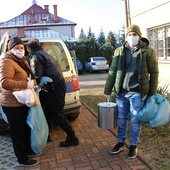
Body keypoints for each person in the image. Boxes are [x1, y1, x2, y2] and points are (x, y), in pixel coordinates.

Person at [104, 24, 159, 159]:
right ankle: (121, 142)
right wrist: (108, 89)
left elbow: (154, 73)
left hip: (137, 93)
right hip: (121, 92)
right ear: (126, 36)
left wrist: (151, 93)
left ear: (139, 36)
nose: (132, 37)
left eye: (134, 34)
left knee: (135, 120)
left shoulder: (148, 52)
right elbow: (112, 72)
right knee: (121, 119)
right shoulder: (119, 51)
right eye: (129, 34)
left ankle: (133, 145)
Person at [26, 39, 79, 147]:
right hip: (57, 85)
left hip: (54, 87)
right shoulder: (46, 54)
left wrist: (30, 84)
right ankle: (47, 136)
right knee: (48, 111)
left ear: (30, 49)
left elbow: (37, 75)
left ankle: (73, 138)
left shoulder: (35, 56)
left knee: (57, 113)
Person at [0, 36, 39, 166]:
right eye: (17, 47)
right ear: (10, 49)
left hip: (22, 101)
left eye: (22, 47)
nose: (20, 50)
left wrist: (33, 84)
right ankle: (22, 159)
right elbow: (5, 83)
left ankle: (27, 150)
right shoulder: (7, 61)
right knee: (17, 132)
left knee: (25, 128)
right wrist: (26, 85)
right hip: (12, 104)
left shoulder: (21, 60)